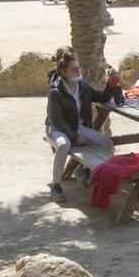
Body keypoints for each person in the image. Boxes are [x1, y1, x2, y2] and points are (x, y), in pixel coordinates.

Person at [44, 47, 122, 202]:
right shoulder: (55, 91)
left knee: (106, 144)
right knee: (63, 145)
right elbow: (56, 121)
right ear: (64, 73)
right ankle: (56, 185)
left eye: (78, 67)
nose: (78, 72)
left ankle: (83, 170)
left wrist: (111, 85)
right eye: (74, 69)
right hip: (56, 129)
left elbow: (101, 97)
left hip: (77, 127)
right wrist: (76, 137)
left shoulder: (82, 86)